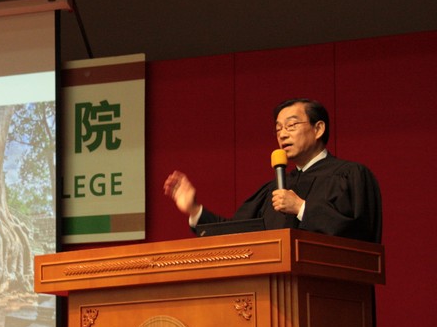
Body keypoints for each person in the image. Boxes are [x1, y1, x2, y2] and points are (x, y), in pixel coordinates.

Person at [163, 98, 382, 243]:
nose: (283, 134)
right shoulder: (274, 190)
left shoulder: (350, 176)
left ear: (318, 129)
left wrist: (302, 208)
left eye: (291, 126)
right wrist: (195, 210)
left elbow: (362, 236)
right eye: (278, 129)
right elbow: (236, 233)